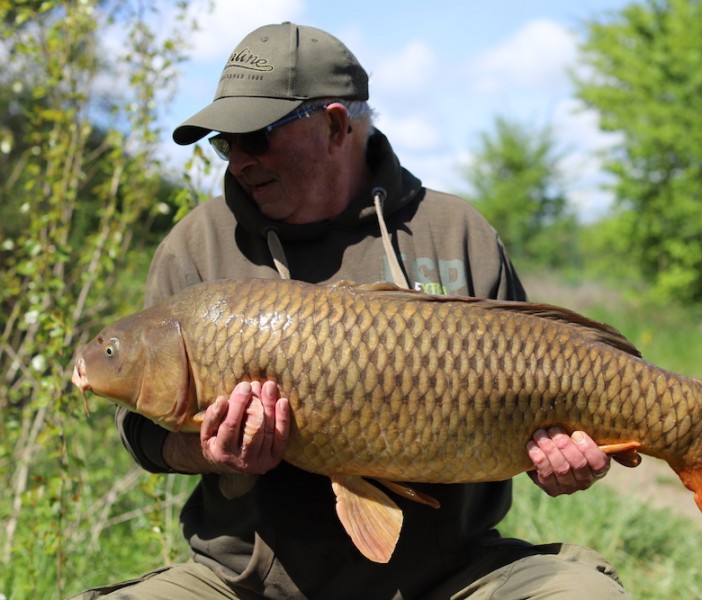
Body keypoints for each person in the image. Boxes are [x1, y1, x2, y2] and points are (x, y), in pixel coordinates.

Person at [75, 22, 628, 599]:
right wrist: (210, 453)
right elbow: (139, 428)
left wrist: (562, 461)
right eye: (224, 142)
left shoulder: (455, 232)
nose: (237, 161)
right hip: (244, 584)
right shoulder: (197, 247)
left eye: (256, 136)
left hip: (453, 577)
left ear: (336, 124)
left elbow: (552, 399)